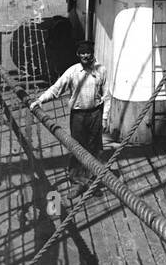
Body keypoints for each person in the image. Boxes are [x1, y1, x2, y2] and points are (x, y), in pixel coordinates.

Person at [29, 41, 108, 189]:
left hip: (96, 114)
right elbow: (56, 89)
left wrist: (104, 118)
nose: (85, 55)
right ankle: (76, 180)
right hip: (78, 115)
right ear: (78, 55)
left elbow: (107, 95)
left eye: (88, 52)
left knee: (95, 148)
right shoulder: (73, 72)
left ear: (92, 53)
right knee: (77, 147)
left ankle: (93, 181)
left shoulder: (101, 70)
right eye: (82, 52)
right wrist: (40, 100)